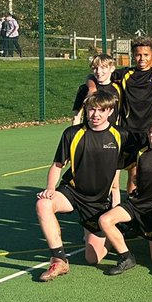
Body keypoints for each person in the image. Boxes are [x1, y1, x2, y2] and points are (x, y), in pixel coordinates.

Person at [35, 93, 124, 281]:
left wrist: (116, 204)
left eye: (101, 110)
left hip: (99, 201)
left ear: (110, 111)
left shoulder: (121, 135)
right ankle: (59, 260)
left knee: (92, 259)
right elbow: (58, 165)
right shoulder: (72, 133)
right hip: (73, 192)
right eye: (92, 109)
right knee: (43, 204)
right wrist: (50, 188)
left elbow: (119, 171)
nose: (96, 114)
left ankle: (103, 232)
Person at [96, 118, 152, 275]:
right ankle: (126, 257)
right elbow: (117, 163)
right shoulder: (140, 152)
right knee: (105, 220)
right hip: (135, 204)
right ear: (148, 134)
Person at [72, 54, 119, 125]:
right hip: (89, 132)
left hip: (111, 133)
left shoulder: (119, 88)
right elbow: (76, 116)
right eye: (95, 68)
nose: (98, 71)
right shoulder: (84, 89)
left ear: (112, 68)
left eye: (103, 67)